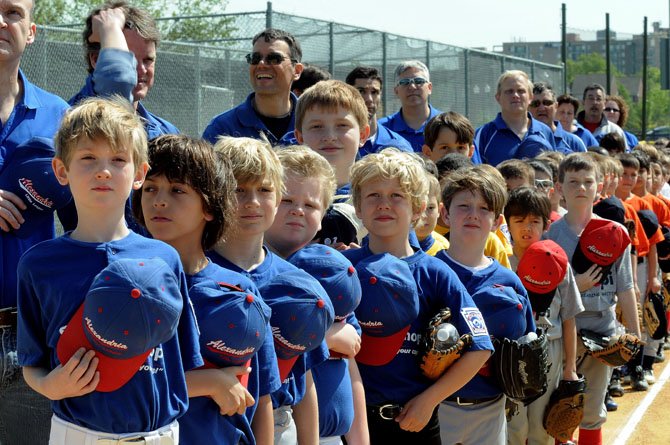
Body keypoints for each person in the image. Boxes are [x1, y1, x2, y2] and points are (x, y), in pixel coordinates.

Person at [17, 97, 202, 444]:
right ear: (61, 170)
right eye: (88, 158)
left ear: (139, 173)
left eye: (118, 160)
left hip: (161, 434)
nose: (104, 170)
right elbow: (31, 362)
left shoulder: (165, 258)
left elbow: (180, 358)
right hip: (77, 435)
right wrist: (47, 385)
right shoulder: (38, 264)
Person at [132, 134, 281, 445]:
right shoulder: (123, 283)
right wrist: (208, 382)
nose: (159, 200)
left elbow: (262, 395)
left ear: (210, 207)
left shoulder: (240, 291)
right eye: (150, 188)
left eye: (177, 190)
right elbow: (119, 382)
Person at [343, 148, 492, 444]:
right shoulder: (345, 268)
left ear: (418, 208)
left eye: (397, 196)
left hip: (416, 421)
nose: (384, 204)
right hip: (355, 422)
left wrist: (429, 400)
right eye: (373, 196)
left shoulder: (435, 272)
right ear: (358, 207)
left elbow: (481, 347)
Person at [210, 137, 332, 445]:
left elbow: (304, 377)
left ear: (278, 197)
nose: (252, 201)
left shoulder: (296, 281)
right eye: (239, 190)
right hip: (208, 421)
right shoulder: (197, 272)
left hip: (280, 422)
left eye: (264, 190)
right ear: (216, 195)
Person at [264, 145, 369, 444]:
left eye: (311, 205)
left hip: (332, 437)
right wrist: (326, 336)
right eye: (287, 200)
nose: (298, 210)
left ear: (323, 216)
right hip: (276, 426)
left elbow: (350, 364)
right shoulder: (254, 269)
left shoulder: (330, 272)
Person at [0, 1, 71, 442]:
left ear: (31, 32)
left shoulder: (59, 117)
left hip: (32, 337)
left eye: (11, 11)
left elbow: (86, 224)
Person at [544, 153, 641, 445]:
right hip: (562, 331)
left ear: (600, 186)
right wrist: (577, 285)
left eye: (588, 182)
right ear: (559, 187)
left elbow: (625, 287)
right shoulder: (552, 235)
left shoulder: (616, 233)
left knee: (593, 408)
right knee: (560, 407)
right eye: (573, 182)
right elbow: (544, 291)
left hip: (602, 330)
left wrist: (635, 333)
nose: (581, 188)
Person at [435, 165, 536, 445]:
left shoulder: (510, 281)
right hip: (434, 407)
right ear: (445, 213)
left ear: (496, 221)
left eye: (483, 208)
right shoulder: (427, 273)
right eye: (463, 205)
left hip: (492, 409)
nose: (473, 214)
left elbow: (527, 348)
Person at [504, 187, 584, 445]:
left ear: (546, 224)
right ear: (507, 223)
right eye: (518, 221)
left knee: (542, 427)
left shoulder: (559, 263)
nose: (527, 228)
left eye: (534, 221)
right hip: (511, 354)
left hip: (550, 348)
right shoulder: (501, 262)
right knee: (514, 428)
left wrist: (570, 368)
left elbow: (569, 317)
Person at [71, 1, 178, 138]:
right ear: (95, 59)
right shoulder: (68, 123)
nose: (141, 70)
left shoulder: (167, 133)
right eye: (129, 59)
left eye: (148, 60)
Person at [293, 79, 370, 247]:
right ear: (299, 137)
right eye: (317, 127)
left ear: (363, 135)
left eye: (342, 125)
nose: (329, 136)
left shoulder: (380, 197)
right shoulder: (282, 196)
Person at [203, 28, 303, 145]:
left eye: (274, 58)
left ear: (296, 71)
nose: (261, 64)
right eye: (255, 58)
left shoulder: (315, 123)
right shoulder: (223, 129)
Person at [473, 70, 555, 166]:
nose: (515, 95)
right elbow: (476, 176)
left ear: (530, 98)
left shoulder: (545, 132)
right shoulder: (483, 134)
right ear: (498, 97)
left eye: (521, 91)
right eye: (509, 91)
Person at [345, 66, 413, 157]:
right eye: (361, 91)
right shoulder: (335, 142)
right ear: (347, 94)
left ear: (380, 95)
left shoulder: (399, 147)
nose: (369, 99)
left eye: (374, 92)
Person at [378, 60, 441, 152]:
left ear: (429, 88)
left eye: (419, 81)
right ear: (396, 91)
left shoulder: (448, 125)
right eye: (404, 82)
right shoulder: (382, 128)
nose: (412, 86)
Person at [529, 82, 586, 154]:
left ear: (556, 106)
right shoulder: (522, 139)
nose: (542, 108)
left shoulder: (574, 143)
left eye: (547, 103)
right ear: (528, 107)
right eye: (535, 104)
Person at [576, 84, 627, 149]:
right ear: (583, 102)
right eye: (591, 98)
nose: (595, 102)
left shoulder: (614, 130)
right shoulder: (573, 129)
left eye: (598, 99)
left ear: (604, 104)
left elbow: (623, 156)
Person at [415, 174, 450, 256]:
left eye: (430, 208)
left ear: (439, 210)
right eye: (417, 207)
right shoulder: (389, 245)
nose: (423, 215)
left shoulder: (444, 248)